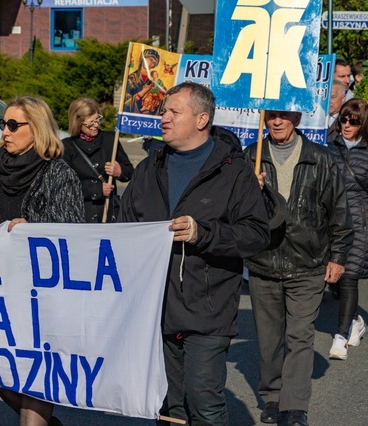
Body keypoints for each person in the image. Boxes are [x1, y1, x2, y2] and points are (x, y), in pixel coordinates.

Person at [118, 82, 270, 425]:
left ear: (201, 119)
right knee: (167, 406)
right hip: (155, 309)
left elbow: (257, 234)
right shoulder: (149, 167)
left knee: (203, 402)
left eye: (174, 112)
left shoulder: (233, 171)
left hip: (207, 309)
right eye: (164, 111)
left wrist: (203, 233)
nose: (164, 118)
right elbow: (122, 228)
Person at [0, 96, 83, 426]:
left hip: (41, 296)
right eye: (3, 124)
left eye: (14, 125)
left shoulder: (57, 173)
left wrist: (33, 229)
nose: (5, 131)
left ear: (38, 129)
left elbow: (72, 232)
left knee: (34, 375)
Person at [244, 110, 352, 426]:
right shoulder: (251, 156)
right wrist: (250, 189)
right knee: (268, 338)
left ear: (298, 119)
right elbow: (234, 208)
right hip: (264, 260)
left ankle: (294, 407)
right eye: (272, 116)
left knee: (301, 336)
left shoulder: (321, 158)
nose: (277, 122)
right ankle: (274, 397)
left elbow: (340, 211)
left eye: (285, 116)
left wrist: (339, 257)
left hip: (308, 262)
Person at [327, 98, 368, 359]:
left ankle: (340, 337)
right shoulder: (328, 149)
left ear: (363, 124)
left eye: (353, 121)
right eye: (343, 119)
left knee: (350, 276)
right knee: (339, 279)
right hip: (334, 223)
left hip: (363, 223)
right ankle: (356, 321)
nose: (347, 125)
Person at [62, 98, 133, 223]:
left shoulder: (111, 139)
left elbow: (130, 173)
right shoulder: (67, 147)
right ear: (78, 123)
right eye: (90, 123)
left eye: (97, 119)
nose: (96, 125)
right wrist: (96, 190)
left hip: (108, 213)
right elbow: (64, 187)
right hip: (80, 216)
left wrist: (119, 171)